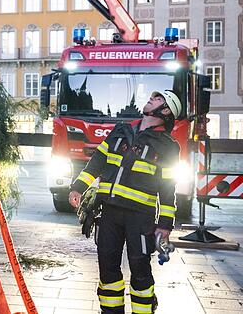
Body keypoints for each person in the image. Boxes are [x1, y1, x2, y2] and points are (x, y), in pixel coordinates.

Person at [69, 90, 182, 314]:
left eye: (158, 99)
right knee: (107, 269)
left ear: (166, 111)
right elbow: (98, 160)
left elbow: (168, 189)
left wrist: (165, 225)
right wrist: (78, 187)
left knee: (140, 269)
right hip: (108, 213)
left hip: (140, 218)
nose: (151, 98)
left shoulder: (168, 146)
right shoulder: (122, 130)